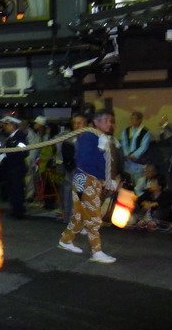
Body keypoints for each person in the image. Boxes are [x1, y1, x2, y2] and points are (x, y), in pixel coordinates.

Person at [58, 110, 118, 264]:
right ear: (96, 122)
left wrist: (107, 178)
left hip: (86, 179)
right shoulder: (89, 136)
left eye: (110, 120)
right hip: (86, 179)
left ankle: (66, 240)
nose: (108, 123)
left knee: (79, 214)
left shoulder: (99, 137)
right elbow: (84, 161)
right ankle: (96, 251)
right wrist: (104, 178)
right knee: (92, 216)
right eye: (105, 120)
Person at [0, 116, 29, 218]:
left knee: (17, 190)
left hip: (17, 168)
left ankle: (18, 211)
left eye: (7, 124)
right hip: (11, 168)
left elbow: (23, 152)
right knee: (12, 190)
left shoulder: (20, 136)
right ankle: (15, 209)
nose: (5, 127)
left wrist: (6, 156)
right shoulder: (10, 137)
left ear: (13, 125)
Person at [60, 114, 87, 223]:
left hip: (87, 172)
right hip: (73, 171)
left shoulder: (90, 139)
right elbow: (66, 155)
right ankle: (70, 217)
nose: (76, 125)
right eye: (75, 123)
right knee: (70, 194)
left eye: (79, 123)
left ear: (85, 124)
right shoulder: (69, 139)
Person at [120, 111, 152, 195]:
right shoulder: (126, 131)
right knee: (128, 183)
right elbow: (124, 143)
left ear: (140, 120)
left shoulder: (146, 132)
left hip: (139, 162)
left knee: (139, 185)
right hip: (128, 162)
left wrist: (134, 155)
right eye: (131, 119)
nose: (132, 121)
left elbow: (143, 147)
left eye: (135, 119)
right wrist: (127, 154)